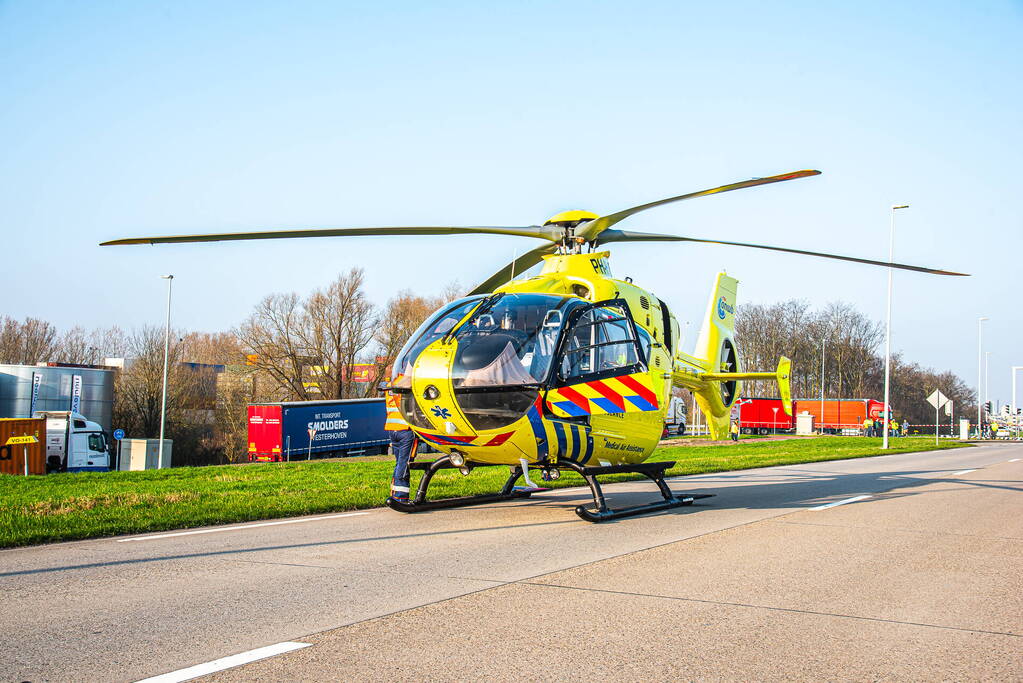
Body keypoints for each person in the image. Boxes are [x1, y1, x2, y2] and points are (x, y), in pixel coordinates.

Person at [384, 389, 418, 502]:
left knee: (399, 463)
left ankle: (394, 493)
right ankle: (401, 496)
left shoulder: (390, 385)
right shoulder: (405, 385)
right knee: (404, 464)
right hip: (405, 429)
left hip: (392, 428)